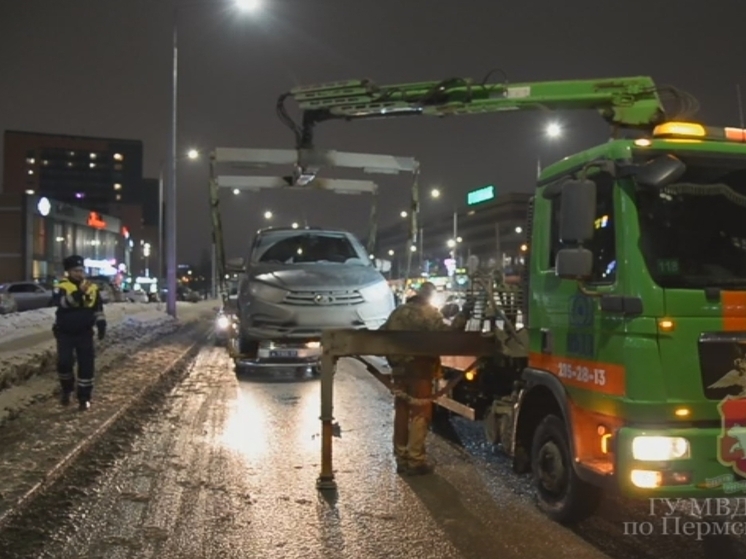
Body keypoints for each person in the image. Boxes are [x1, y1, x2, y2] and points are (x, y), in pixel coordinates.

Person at [381, 281, 473, 475]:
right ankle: (415, 460)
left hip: (399, 370)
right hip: (419, 369)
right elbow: (449, 335)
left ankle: (401, 458)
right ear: (429, 297)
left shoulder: (398, 312)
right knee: (420, 411)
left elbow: (381, 334)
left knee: (401, 411)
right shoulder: (429, 313)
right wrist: (464, 314)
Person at [53, 255, 106, 411]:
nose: (79, 273)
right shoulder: (61, 286)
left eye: (81, 270)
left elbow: (97, 309)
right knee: (64, 363)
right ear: (68, 271)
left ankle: (84, 397)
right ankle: (67, 389)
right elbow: (62, 304)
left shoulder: (92, 288)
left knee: (86, 366)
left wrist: (101, 324)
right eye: (76, 270)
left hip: (84, 333)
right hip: (65, 332)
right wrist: (79, 293)